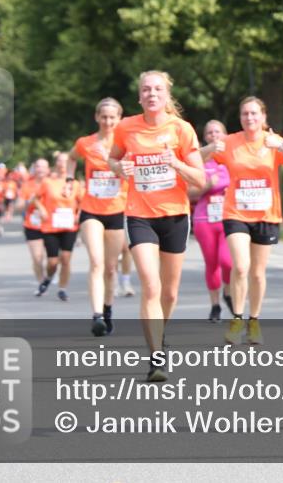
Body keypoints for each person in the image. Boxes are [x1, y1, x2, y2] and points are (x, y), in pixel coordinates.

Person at [107, 70, 205, 382]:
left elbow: (201, 180)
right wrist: (118, 167)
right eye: (146, 89)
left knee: (170, 293)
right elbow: (112, 159)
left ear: (166, 95)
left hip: (175, 215)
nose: (151, 94)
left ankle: (161, 337)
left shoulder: (181, 129)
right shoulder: (126, 127)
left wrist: (176, 164)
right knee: (151, 285)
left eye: (157, 89)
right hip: (139, 214)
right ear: (139, 97)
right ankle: (156, 357)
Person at [213, 97, 283, 346]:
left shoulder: (274, 141)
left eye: (255, 114)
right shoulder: (230, 142)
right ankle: (237, 318)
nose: (250, 118)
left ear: (264, 117)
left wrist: (281, 146)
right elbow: (202, 158)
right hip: (236, 213)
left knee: (257, 273)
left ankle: (254, 321)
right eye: (245, 114)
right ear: (240, 117)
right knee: (241, 267)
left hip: (266, 214)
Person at [69, 98, 130, 337]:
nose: (107, 121)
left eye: (112, 117)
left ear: (119, 119)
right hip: (91, 210)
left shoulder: (125, 145)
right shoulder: (85, 143)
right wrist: (69, 179)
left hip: (116, 210)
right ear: (97, 118)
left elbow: (131, 171)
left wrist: (116, 165)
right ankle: (96, 316)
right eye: (103, 117)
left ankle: (107, 310)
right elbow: (72, 157)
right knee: (96, 261)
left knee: (111, 268)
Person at [191, 120, 234, 323]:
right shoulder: (198, 161)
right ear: (205, 137)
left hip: (228, 218)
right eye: (209, 132)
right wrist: (207, 185)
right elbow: (189, 193)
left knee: (228, 261)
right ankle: (215, 305)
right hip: (204, 218)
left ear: (225, 134)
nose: (213, 135)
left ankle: (228, 291)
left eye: (218, 131)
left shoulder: (233, 159)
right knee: (212, 263)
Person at [31, 152, 84, 301]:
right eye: (60, 161)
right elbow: (35, 199)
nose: (62, 164)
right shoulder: (48, 182)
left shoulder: (75, 184)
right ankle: (48, 277)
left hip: (69, 226)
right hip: (51, 226)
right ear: (56, 164)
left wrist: (78, 214)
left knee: (66, 258)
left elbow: (82, 202)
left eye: (66, 161)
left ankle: (62, 288)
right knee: (53, 261)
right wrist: (41, 209)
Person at [21, 158, 50, 282]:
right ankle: (41, 281)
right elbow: (19, 205)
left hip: (52, 225)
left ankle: (50, 273)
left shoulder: (53, 183)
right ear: (34, 168)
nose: (40, 169)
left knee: (53, 257)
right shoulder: (27, 185)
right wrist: (29, 202)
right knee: (37, 257)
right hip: (32, 224)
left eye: (43, 167)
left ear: (48, 170)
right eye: (38, 166)